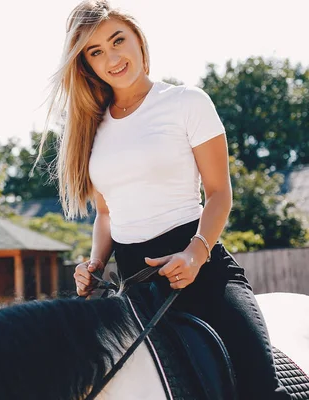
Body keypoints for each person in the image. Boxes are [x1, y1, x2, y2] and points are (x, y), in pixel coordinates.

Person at [37, 1, 290, 399]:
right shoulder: (90, 129)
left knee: (261, 387)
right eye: (96, 51)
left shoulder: (187, 103)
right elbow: (105, 212)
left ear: (139, 39)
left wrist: (196, 253)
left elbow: (220, 194)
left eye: (118, 40)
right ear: (86, 64)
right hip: (135, 288)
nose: (112, 57)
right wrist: (95, 263)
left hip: (202, 271)